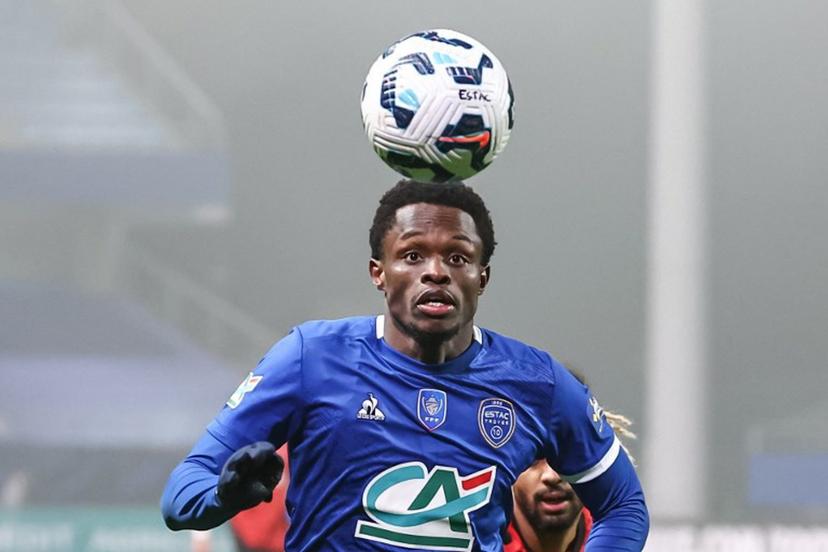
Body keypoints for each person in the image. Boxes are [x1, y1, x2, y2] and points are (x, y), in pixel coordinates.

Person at [161, 180, 649, 550]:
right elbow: (181, 496)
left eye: (458, 257)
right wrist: (223, 496)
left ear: (483, 275)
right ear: (379, 271)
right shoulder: (310, 357)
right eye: (412, 255)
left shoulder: (536, 383)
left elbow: (623, 505)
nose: (435, 271)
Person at [505, 404, 637, 552]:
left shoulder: (617, 535)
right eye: (533, 459)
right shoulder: (480, 538)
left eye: (568, 456)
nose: (552, 476)